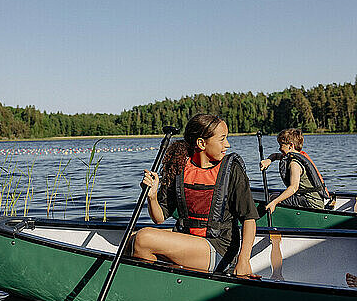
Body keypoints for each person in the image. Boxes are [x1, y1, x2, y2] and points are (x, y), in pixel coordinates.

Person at [133, 114, 259, 275]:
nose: (227, 145)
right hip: (188, 241)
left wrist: (243, 261)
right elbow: (159, 218)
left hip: (220, 248)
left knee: (143, 238)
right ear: (201, 143)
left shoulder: (232, 169)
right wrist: (151, 197)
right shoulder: (179, 167)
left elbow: (249, 219)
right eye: (222, 139)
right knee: (131, 239)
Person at [260, 128, 328, 213]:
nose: (279, 149)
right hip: (308, 198)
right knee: (273, 196)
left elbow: (293, 188)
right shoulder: (293, 156)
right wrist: (268, 160)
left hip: (311, 203)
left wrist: (274, 202)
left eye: (281, 145)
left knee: (273, 198)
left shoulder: (294, 164)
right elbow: (275, 155)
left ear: (290, 145)